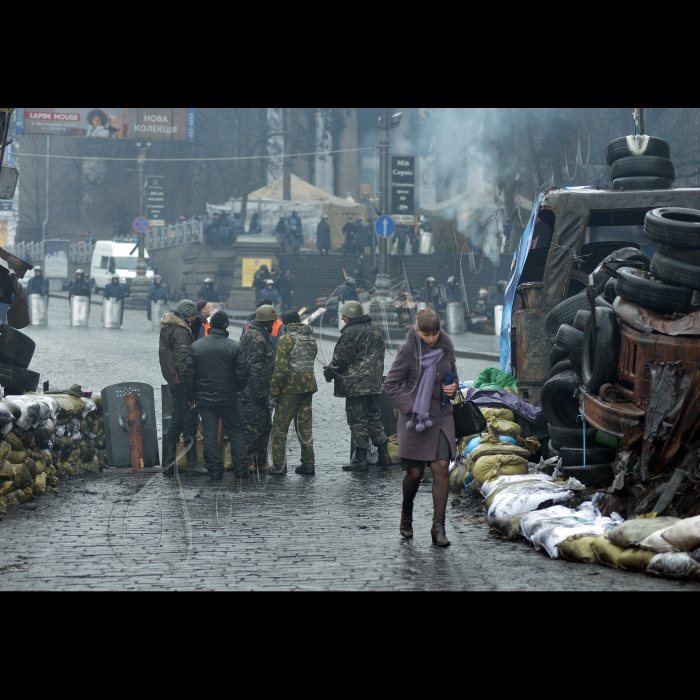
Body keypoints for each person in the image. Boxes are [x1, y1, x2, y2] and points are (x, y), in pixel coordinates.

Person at [383, 309, 458, 547]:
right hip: (414, 421)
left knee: (441, 468)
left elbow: (453, 375)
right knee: (414, 474)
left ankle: (438, 527)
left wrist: (452, 387)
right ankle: (406, 514)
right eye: (427, 334)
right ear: (418, 331)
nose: (432, 338)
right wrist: (411, 406)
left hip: (441, 418)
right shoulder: (407, 351)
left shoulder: (447, 347)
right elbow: (390, 384)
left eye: (435, 333)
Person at [323, 300, 393, 471]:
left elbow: (342, 358)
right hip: (374, 383)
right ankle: (384, 455)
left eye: (344, 316)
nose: (342, 319)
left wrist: (329, 373)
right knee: (375, 418)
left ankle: (360, 458)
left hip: (357, 385)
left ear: (351, 316)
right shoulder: (376, 330)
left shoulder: (352, 332)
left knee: (357, 421)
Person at [184, 311, 250, 480]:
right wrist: (235, 388)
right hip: (228, 398)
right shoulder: (235, 347)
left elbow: (189, 375)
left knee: (210, 435)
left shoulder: (197, 346)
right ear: (226, 326)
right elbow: (243, 374)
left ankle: (215, 471)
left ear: (211, 325)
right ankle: (242, 470)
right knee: (236, 432)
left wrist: (191, 396)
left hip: (205, 400)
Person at [159, 300, 208, 477]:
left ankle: (168, 463)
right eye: (192, 315)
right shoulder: (180, 332)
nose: (193, 318)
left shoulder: (169, 327)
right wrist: (191, 389)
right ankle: (192, 463)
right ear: (186, 315)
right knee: (189, 423)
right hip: (183, 384)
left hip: (173, 381)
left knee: (176, 421)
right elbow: (183, 361)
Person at [269, 310, 318, 475]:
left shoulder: (285, 340)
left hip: (290, 389)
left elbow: (281, 370)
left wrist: (273, 395)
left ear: (284, 323)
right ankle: (308, 463)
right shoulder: (310, 338)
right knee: (304, 426)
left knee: (280, 427)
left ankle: (278, 464)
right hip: (308, 386)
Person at [239, 304, 277, 473]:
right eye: (272, 322)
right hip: (253, 392)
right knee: (253, 428)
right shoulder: (255, 338)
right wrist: (261, 394)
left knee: (264, 426)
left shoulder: (260, 334)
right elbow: (255, 369)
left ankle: (261, 461)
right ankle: (248, 462)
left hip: (260, 390)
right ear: (267, 322)